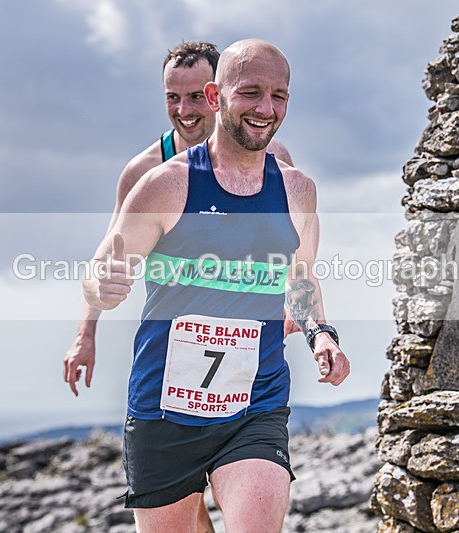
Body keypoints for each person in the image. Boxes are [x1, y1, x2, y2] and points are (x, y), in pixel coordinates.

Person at [71, 38, 350, 532]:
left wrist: (320, 332)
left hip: (255, 403)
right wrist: (101, 292)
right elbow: (101, 270)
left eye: (279, 95)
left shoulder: (297, 189)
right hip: (165, 408)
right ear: (217, 96)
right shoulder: (163, 183)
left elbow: (301, 275)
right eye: (250, 93)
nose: (266, 108)